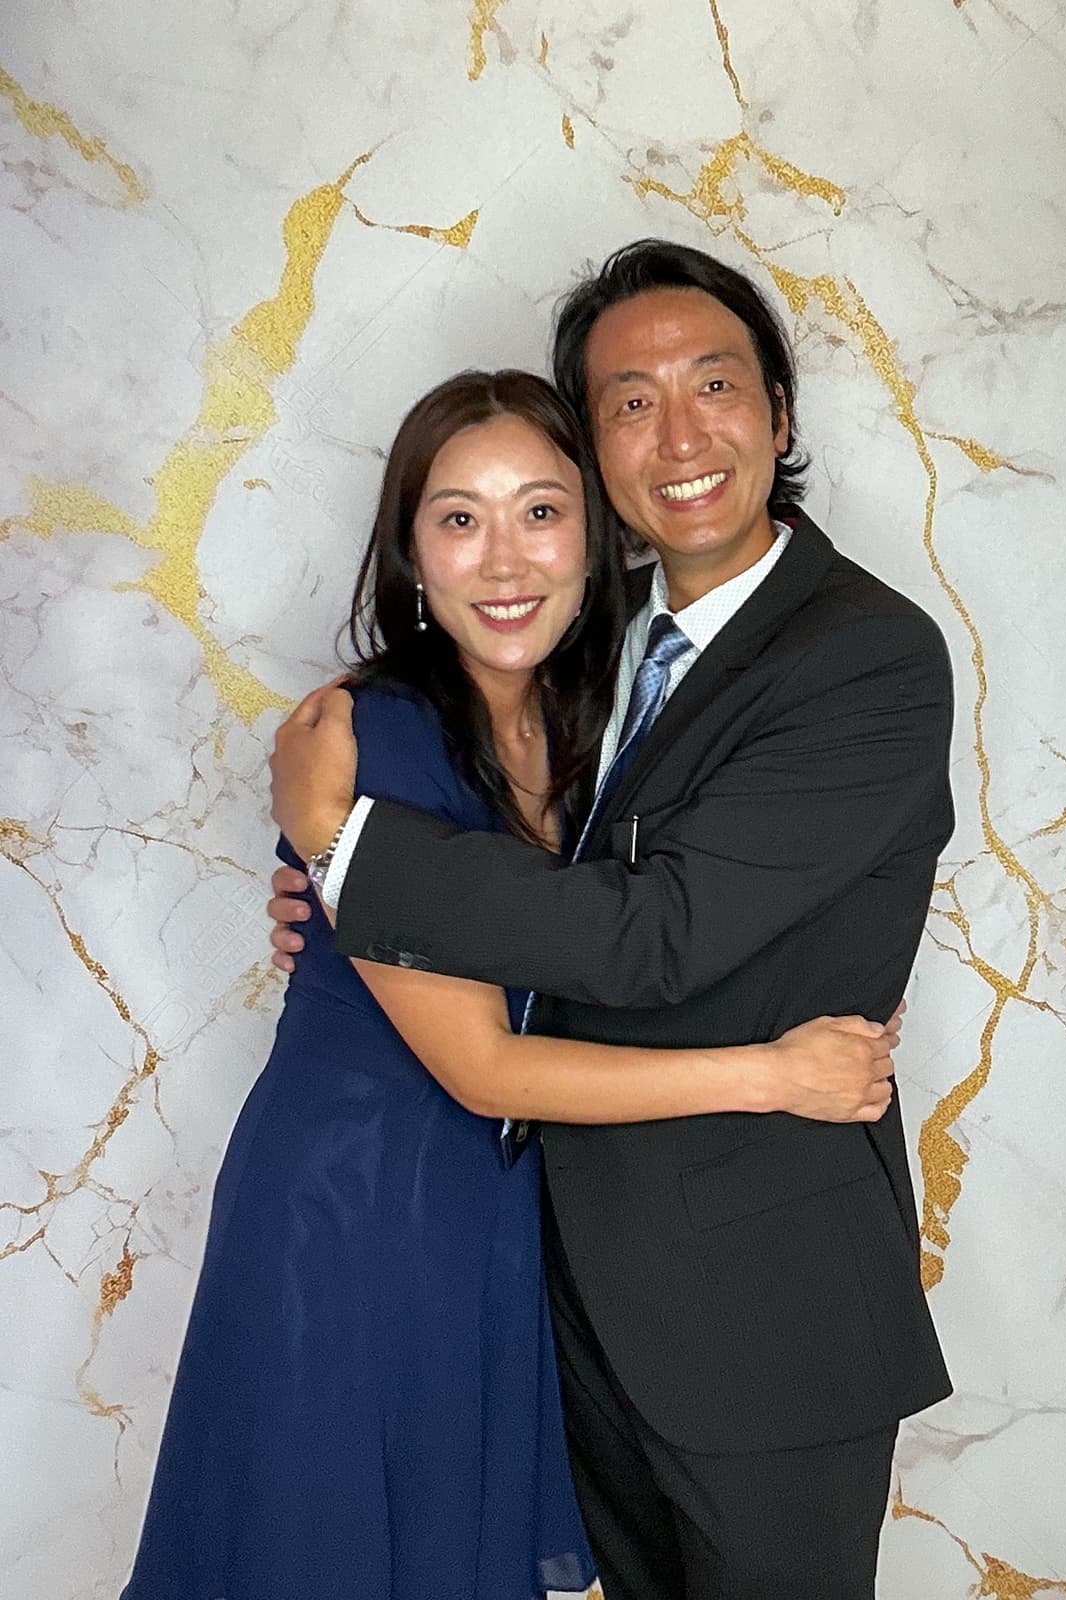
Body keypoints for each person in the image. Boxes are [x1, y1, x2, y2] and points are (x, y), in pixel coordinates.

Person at [124, 368, 906, 1600]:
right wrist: (771, 1072)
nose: (504, 560)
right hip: (354, 1211)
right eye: (460, 518)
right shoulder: (374, 736)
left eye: (541, 511)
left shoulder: (592, 722)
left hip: (492, 1219)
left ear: (596, 536)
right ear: (412, 552)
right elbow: (482, 1064)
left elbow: (656, 920)